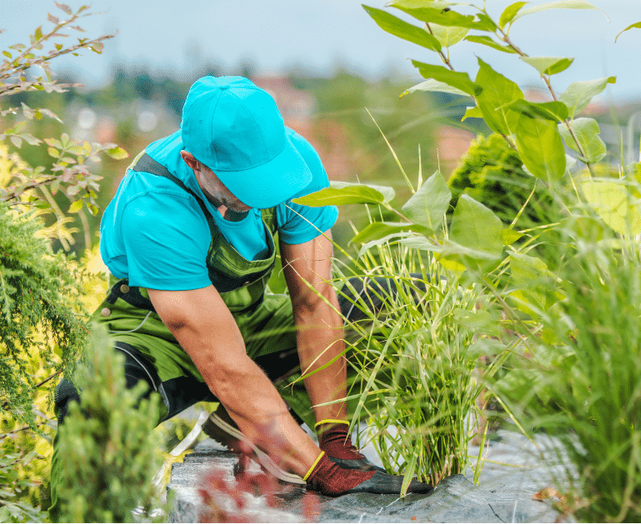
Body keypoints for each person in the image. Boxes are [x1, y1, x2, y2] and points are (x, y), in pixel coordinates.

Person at [49, 75, 431, 509]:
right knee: (91, 400)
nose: (263, 195)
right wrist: (319, 471)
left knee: (398, 306)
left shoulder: (296, 167)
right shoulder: (153, 204)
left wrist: (335, 439)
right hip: (154, 336)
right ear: (193, 162)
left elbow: (313, 303)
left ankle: (245, 422)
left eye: (268, 180)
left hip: (247, 321)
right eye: (244, 185)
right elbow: (224, 365)